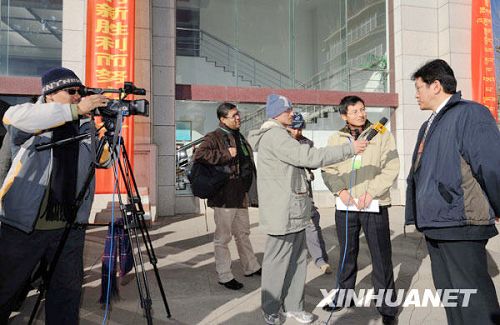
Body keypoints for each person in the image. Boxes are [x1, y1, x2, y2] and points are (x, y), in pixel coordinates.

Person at [0, 67, 109, 324]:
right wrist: (76, 110)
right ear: (49, 94)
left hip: (70, 226)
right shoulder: (28, 117)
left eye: (80, 92)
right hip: (24, 225)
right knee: (6, 288)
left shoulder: (85, 126)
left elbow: (103, 161)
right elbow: (11, 117)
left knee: (66, 293)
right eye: (71, 91)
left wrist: (111, 132)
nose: (77, 96)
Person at [248, 94, 367, 325]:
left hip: (293, 209)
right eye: (288, 110)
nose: (292, 113)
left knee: (296, 261)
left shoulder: (280, 134)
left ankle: (293, 307)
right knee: (277, 263)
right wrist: (349, 149)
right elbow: (309, 157)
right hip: (282, 212)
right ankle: (271, 309)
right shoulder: (274, 135)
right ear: (275, 113)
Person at [405, 59, 500, 325]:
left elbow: (492, 164)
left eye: (419, 87)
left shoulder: (471, 114)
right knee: (453, 300)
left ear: (436, 86)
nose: (416, 94)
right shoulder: (429, 124)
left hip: (461, 221)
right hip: (436, 223)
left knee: (474, 302)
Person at [321, 95, 399, 324]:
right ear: (344, 115)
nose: (361, 114)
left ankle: (387, 308)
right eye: (355, 111)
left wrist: (371, 192)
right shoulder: (336, 138)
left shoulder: (381, 133)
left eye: (363, 110)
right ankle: (344, 297)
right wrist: (341, 191)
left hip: (373, 204)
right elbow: (328, 169)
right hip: (346, 205)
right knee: (347, 253)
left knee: (381, 256)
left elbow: (392, 166)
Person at [193, 102, 261, 290]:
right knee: (223, 238)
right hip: (224, 197)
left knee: (243, 234)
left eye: (238, 114)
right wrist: (225, 154)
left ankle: (251, 266)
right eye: (233, 116)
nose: (238, 118)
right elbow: (199, 155)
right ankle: (224, 275)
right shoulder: (214, 137)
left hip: (241, 195)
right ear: (222, 119)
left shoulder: (239, 136)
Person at [287, 113, 332, 274]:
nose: (297, 132)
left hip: (305, 190)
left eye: (300, 128)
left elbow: (313, 163)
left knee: (312, 223)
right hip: (287, 191)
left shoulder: (306, 142)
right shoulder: (281, 143)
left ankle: (320, 258)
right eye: (294, 128)